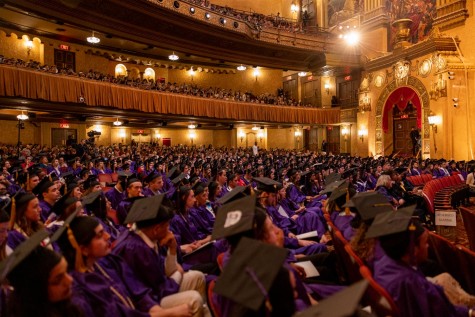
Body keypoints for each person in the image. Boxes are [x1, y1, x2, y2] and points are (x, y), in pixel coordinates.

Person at [113, 195, 211, 317]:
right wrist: (178, 274)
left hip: (157, 289)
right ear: (156, 229)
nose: (170, 231)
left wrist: (172, 248)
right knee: (193, 299)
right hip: (145, 303)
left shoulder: (147, 236)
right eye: (167, 226)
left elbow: (166, 271)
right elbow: (160, 288)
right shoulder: (136, 248)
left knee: (197, 276)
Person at [368, 208, 475, 317]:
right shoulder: (411, 283)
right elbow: (445, 313)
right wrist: (470, 312)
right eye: (425, 243)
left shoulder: (384, 261)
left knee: (445, 278)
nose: (428, 246)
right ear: (413, 249)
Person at [3, 230, 83, 317]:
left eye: (66, 272)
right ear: (36, 290)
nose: (70, 280)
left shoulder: (69, 308)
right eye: (58, 280)